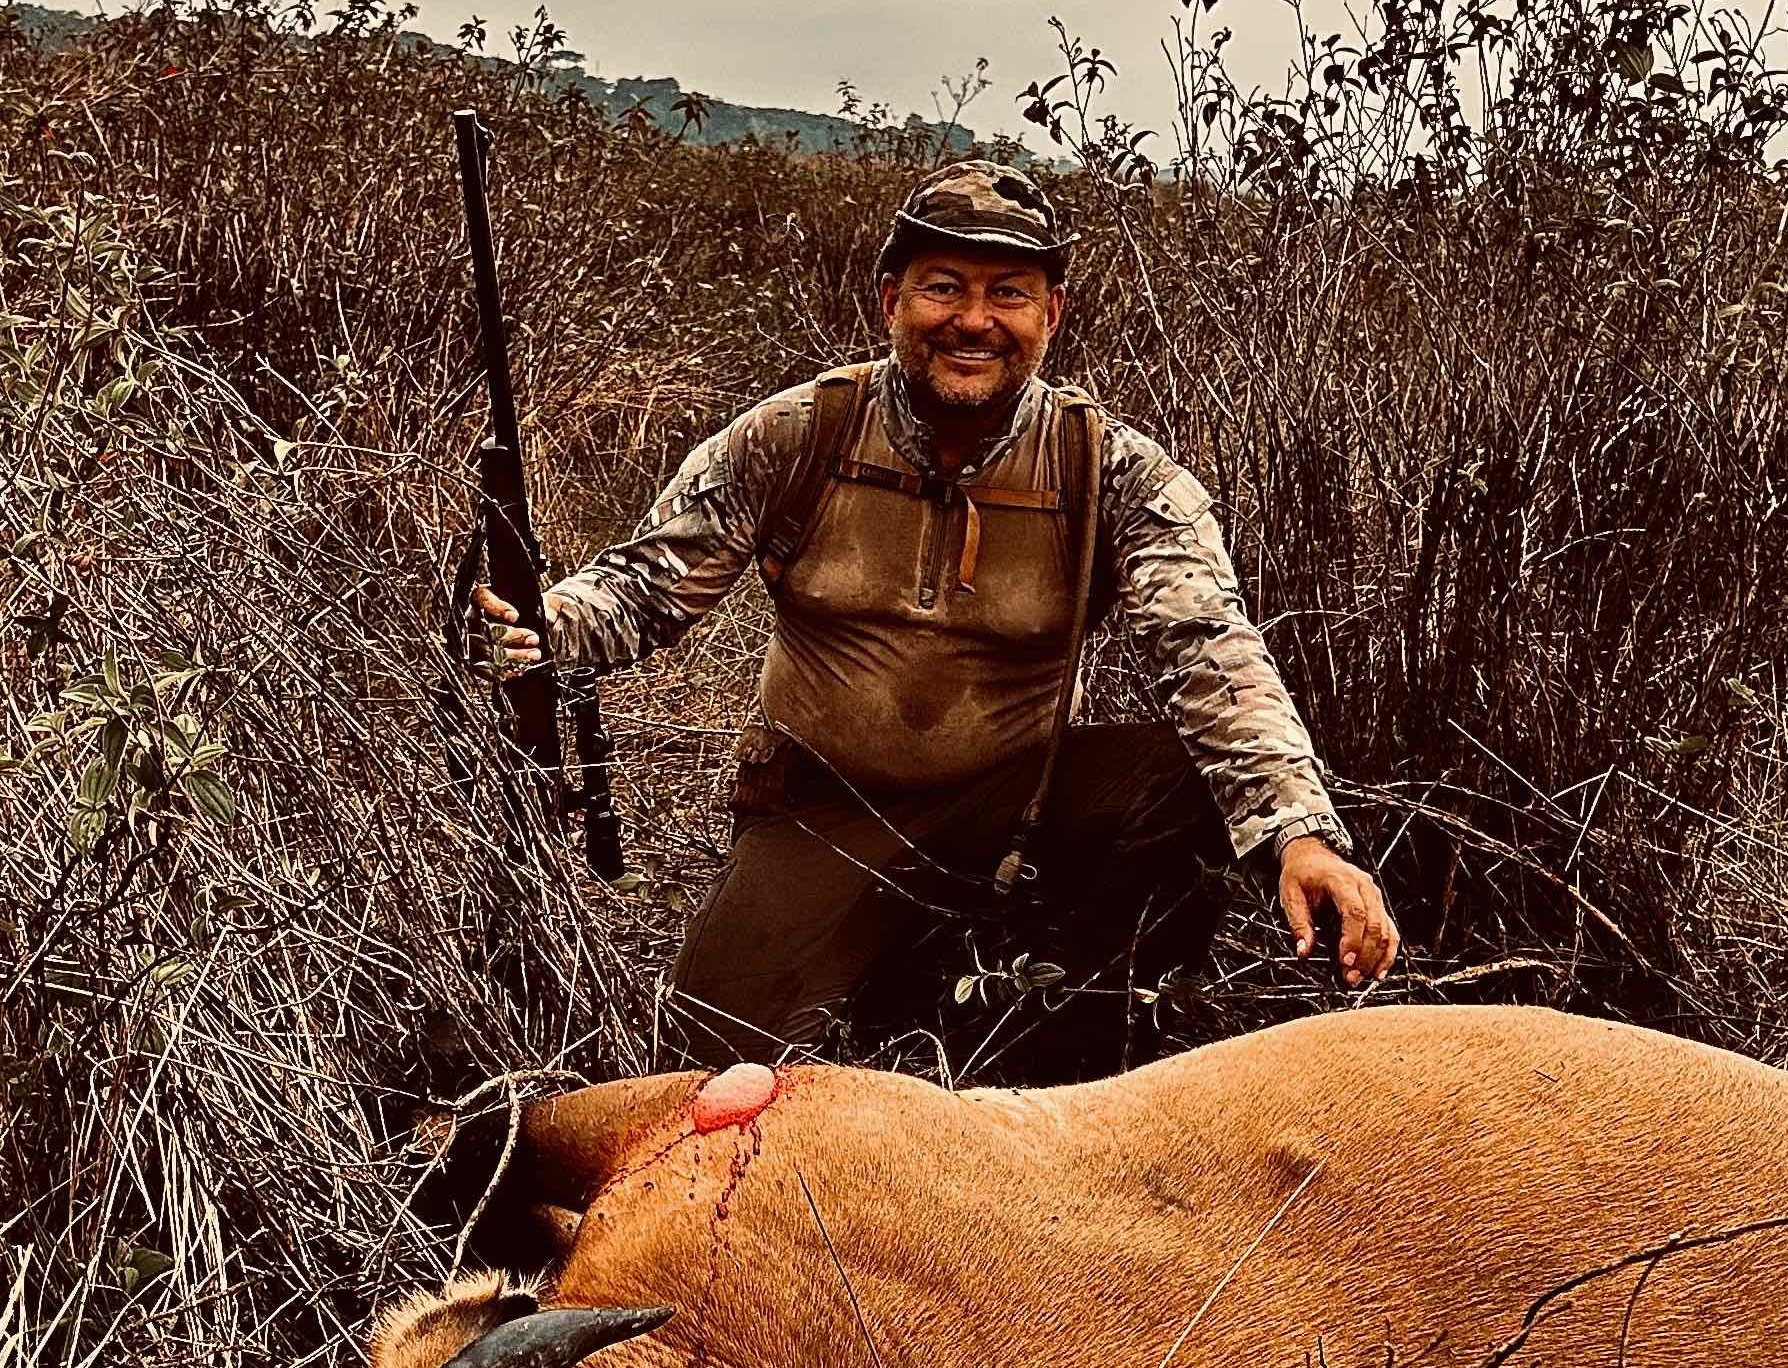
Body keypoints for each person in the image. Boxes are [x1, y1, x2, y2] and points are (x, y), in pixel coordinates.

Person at [471, 157, 1399, 1071]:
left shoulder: (1110, 468)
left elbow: (1211, 651)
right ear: (890, 298)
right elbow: (644, 584)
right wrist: (545, 628)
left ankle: (1069, 1047)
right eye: (943, 287)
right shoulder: (800, 432)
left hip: (1021, 805)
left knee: (1184, 782)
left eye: (1009, 293)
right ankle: (883, 971)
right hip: (825, 807)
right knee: (704, 1067)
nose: (974, 321)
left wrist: (1300, 835)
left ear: (1052, 314)